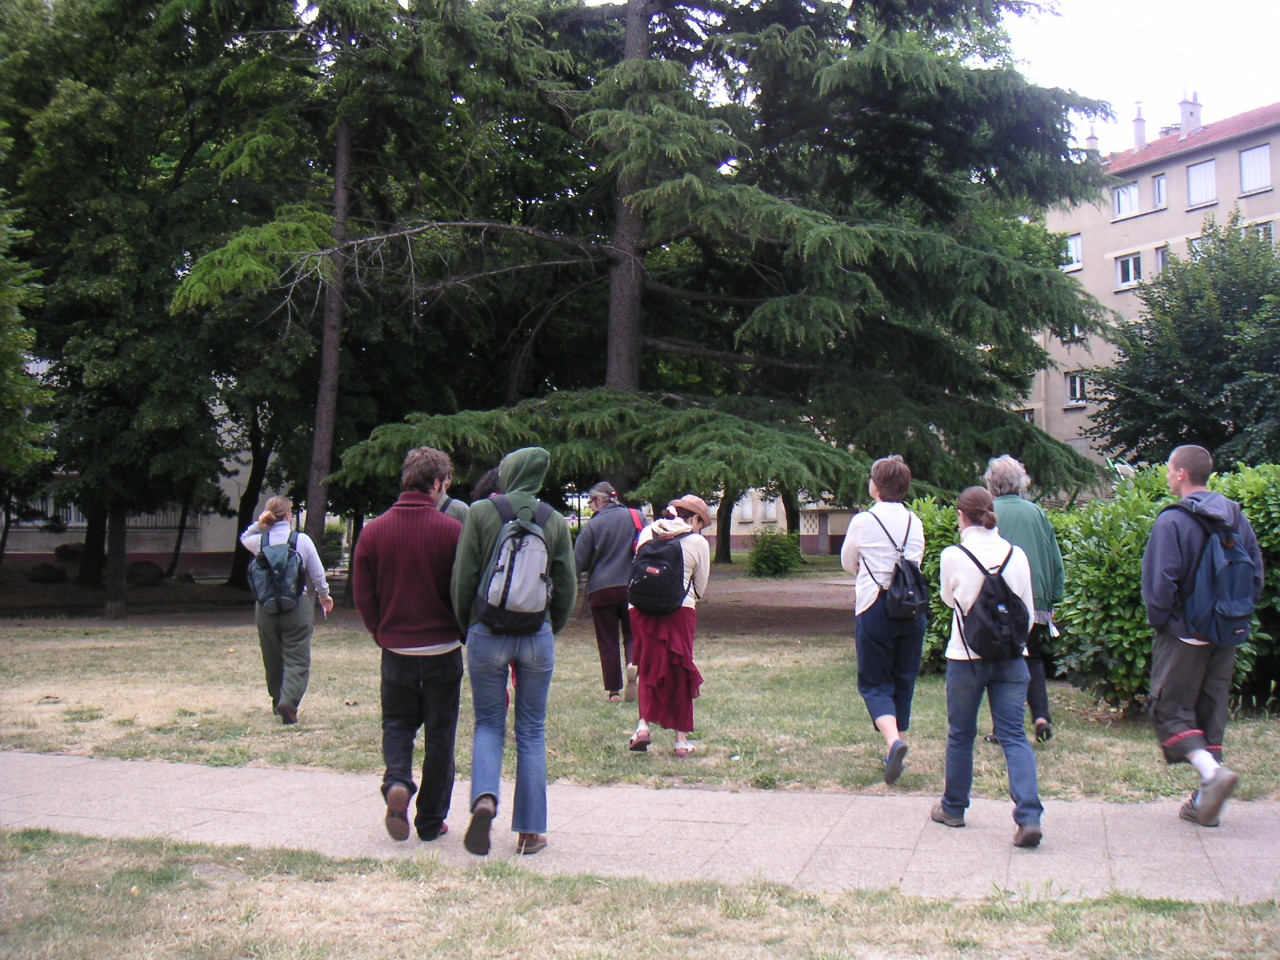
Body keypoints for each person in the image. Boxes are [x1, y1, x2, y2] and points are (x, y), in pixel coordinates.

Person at [451, 447, 577, 857]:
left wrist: (468, 625)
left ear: (510, 474)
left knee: (489, 724)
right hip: (536, 634)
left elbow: (464, 577)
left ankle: (485, 799)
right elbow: (567, 585)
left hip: (487, 631)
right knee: (532, 731)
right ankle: (530, 831)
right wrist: (550, 626)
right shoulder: (553, 520)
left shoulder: (480, 513)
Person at [1142, 445, 1263, 828]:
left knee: (1168, 709)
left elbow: (1160, 584)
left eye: (1169, 468)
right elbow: (1255, 575)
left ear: (1181, 474)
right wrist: (1233, 618)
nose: (1167, 474)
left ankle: (1212, 776)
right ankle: (1204, 803)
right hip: (1226, 631)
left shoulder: (1172, 521)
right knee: (1211, 712)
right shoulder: (1236, 517)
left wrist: (1165, 622)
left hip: (1185, 633)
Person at [353, 447, 465, 843]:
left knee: (397, 724)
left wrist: (380, 631)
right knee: (440, 736)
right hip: (443, 649)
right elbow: (463, 590)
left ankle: (398, 780)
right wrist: (460, 629)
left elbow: (363, 594)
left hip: (397, 649)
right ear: (436, 483)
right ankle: (431, 820)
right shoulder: (452, 531)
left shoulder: (374, 531)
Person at [934, 486, 1043, 847]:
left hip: (966, 657)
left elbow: (948, 599)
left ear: (961, 516)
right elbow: (1027, 610)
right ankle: (1028, 816)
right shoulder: (1017, 554)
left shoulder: (954, 555)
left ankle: (953, 807)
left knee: (961, 733)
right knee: (1014, 735)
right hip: (1011, 658)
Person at [839, 455, 927, 784]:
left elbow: (847, 561)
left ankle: (893, 742)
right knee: (904, 676)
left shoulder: (864, 521)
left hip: (875, 604)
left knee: (874, 681)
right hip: (911, 607)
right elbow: (916, 560)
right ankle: (896, 744)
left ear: (876, 487)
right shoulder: (914, 521)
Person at [984, 455, 1065, 743]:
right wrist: (1053, 599)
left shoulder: (989, 512)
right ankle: (1041, 716)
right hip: (1035, 600)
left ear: (991, 483)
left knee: (999, 664)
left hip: (999, 601)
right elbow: (1053, 557)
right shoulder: (1036, 513)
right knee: (1033, 658)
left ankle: (1002, 727)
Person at [627, 495, 711, 758]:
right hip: (679, 610)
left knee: (647, 665)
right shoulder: (697, 542)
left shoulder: (648, 532)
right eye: (701, 523)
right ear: (694, 519)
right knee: (680, 669)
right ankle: (681, 741)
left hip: (641, 608)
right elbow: (700, 587)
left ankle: (643, 727)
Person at [240, 497, 334, 725]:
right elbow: (317, 573)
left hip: (266, 608)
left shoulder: (259, 541)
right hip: (296, 605)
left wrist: (260, 524)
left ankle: (277, 701)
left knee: (272, 657)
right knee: (297, 657)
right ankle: (288, 702)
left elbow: (244, 537)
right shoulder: (301, 540)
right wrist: (324, 596)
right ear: (289, 515)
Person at [574, 481, 644, 703]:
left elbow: (576, 560)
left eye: (591, 502)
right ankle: (633, 665)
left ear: (599, 500)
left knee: (608, 641)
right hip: (632, 586)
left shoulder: (593, 526)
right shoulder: (636, 517)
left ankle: (614, 692)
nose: (591, 506)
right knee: (632, 635)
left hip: (601, 589)